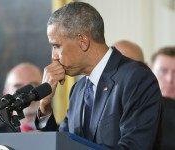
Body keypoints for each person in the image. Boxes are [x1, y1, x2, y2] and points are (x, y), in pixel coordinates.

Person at [37, 2, 161, 149]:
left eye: (56, 46)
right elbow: (62, 145)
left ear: (83, 41)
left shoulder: (136, 79)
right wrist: (45, 106)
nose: (54, 56)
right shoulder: (79, 89)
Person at [0, 62, 43, 132]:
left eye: (33, 86)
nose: (26, 93)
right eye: (18, 87)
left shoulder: (61, 134)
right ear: (6, 93)